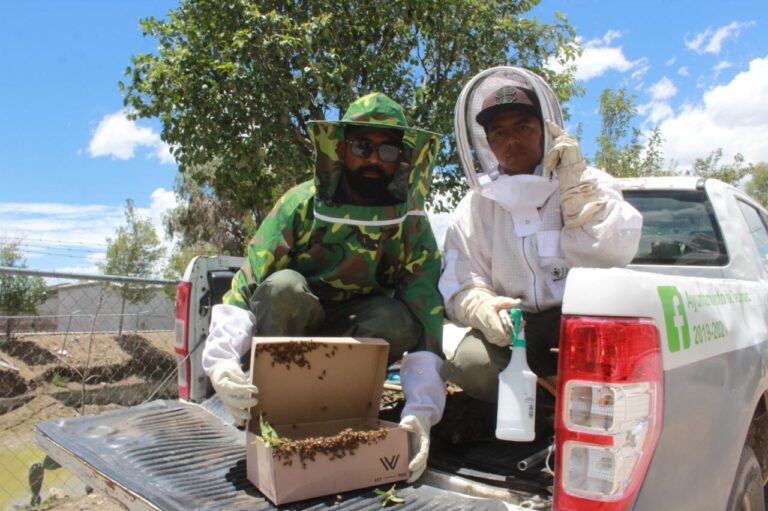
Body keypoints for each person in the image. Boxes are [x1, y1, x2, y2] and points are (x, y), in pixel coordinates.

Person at [202, 93, 446, 481]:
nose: (372, 159)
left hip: (355, 333)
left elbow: (426, 312)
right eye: (362, 146)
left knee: (396, 318)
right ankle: (271, 410)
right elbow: (247, 285)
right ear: (341, 148)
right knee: (284, 288)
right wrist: (221, 363)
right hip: (292, 325)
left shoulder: (411, 224)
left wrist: (421, 409)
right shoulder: (299, 205)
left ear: (401, 159)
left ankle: (343, 410)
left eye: (386, 150)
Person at [439, 67, 643, 403]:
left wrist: (581, 202)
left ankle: (586, 417)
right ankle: (536, 413)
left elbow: (612, 255)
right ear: (487, 143)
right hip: (516, 329)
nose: (512, 140)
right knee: (470, 361)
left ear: (545, 131)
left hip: (580, 323)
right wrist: (482, 307)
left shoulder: (588, 182)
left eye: (523, 127)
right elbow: (462, 280)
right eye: (498, 133)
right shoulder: (475, 206)